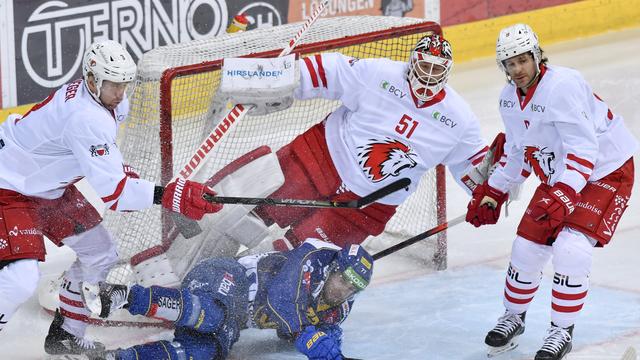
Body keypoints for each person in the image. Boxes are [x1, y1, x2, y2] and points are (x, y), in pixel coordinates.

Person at [0, 40, 222, 355]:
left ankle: (66, 333)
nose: (121, 93)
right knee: (21, 278)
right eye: (114, 85)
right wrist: (169, 196)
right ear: (92, 79)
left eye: (124, 85)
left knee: (100, 251)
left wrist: (159, 191)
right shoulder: (85, 118)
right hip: (10, 185)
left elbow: (112, 169)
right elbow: (115, 194)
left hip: (49, 186)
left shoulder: (107, 103)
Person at [465, 23, 637, 360]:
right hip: (563, 176)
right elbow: (518, 152)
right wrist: (493, 192)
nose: (518, 69)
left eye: (523, 60)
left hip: (606, 171)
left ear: (537, 56)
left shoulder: (563, 86)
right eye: (510, 63)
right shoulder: (508, 100)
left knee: (571, 248)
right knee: (526, 246)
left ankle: (561, 332)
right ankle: (513, 317)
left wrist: (563, 194)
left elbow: (584, 150)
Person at [247, 33, 489, 252]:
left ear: (447, 72)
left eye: (436, 70)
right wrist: (267, 78)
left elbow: (475, 167)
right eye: (425, 65)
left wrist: (495, 189)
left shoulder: (459, 119)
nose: (428, 75)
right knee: (247, 220)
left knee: (293, 258)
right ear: (413, 61)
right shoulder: (380, 74)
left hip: (369, 206)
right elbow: (331, 71)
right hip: (318, 162)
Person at [84, 239, 374, 360]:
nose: (343, 290)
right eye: (343, 279)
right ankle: (120, 295)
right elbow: (281, 298)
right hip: (226, 276)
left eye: (353, 288)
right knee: (212, 315)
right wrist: (308, 335)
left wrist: (330, 351)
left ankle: (117, 357)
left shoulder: (338, 309)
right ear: (334, 268)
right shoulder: (315, 258)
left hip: (237, 317)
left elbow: (299, 333)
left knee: (204, 351)